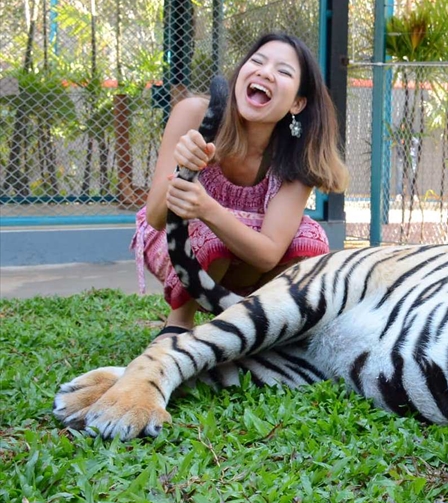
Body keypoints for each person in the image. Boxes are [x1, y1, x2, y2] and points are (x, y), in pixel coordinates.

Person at [132, 32, 349, 334]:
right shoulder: (193, 112)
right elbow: (156, 219)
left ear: (297, 103)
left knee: (309, 238)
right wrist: (184, 168)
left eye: (283, 71)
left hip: (247, 257)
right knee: (208, 231)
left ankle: (255, 326)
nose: (265, 72)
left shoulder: (300, 153)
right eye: (257, 61)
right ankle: (179, 322)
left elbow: (269, 254)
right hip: (179, 244)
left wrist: (208, 208)